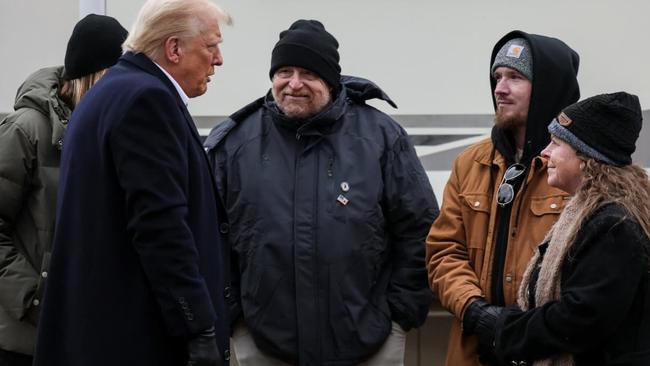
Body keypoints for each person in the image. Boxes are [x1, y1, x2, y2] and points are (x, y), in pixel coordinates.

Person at [204, 19, 439, 366]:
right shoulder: (237, 143)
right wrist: (234, 315)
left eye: (308, 74)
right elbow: (211, 235)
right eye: (284, 71)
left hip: (369, 342)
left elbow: (420, 228)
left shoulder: (380, 137)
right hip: (265, 342)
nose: (294, 84)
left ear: (330, 80)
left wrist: (400, 313)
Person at [32, 1, 232, 365]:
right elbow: (160, 226)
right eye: (211, 46)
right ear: (174, 48)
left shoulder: (107, 94)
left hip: (99, 332)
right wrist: (198, 327)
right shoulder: (147, 99)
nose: (218, 59)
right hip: (139, 337)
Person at [426, 30, 580, 366]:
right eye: (497, 77)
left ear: (547, 88)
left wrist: (535, 327)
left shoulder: (583, 169)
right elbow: (444, 250)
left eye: (515, 77)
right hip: (476, 349)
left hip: (550, 351)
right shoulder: (471, 163)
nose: (500, 88)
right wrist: (475, 311)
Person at [484, 92, 650, 365]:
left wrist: (505, 330)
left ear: (587, 158)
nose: (545, 152)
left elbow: (582, 318)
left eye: (557, 143)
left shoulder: (613, 225)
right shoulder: (592, 213)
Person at [0, 14, 127, 366]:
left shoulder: (109, 132)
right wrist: (37, 299)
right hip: (25, 342)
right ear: (91, 76)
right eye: (114, 77)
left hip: (88, 335)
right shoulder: (26, 130)